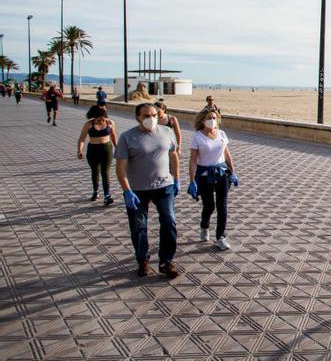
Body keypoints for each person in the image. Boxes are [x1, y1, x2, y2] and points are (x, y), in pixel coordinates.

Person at [114, 103, 181, 278]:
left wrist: (177, 178)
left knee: (169, 222)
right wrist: (126, 190)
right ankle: (142, 259)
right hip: (137, 190)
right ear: (137, 117)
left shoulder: (167, 132)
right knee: (139, 227)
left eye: (154, 115)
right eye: (146, 115)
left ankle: (167, 261)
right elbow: (120, 167)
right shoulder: (127, 137)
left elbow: (173, 155)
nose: (151, 119)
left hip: (164, 186)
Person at [187, 109, 239, 250]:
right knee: (209, 206)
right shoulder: (197, 137)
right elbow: (193, 160)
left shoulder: (221, 134)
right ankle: (204, 226)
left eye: (214, 118)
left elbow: (227, 155)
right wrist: (192, 180)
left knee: (222, 206)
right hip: (205, 176)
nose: (212, 120)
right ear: (203, 120)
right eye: (209, 118)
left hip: (222, 174)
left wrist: (233, 172)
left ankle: (220, 237)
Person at [77, 105, 118, 205]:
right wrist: (79, 150)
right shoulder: (89, 124)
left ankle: (107, 196)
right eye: (98, 118)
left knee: (105, 172)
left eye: (103, 117)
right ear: (93, 116)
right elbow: (82, 138)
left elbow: (113, 136)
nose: (101, 120)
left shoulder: (110, 123)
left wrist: (117, 147)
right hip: (93, 150)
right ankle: (95, 191)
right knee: (95, 171)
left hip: (106, 150)